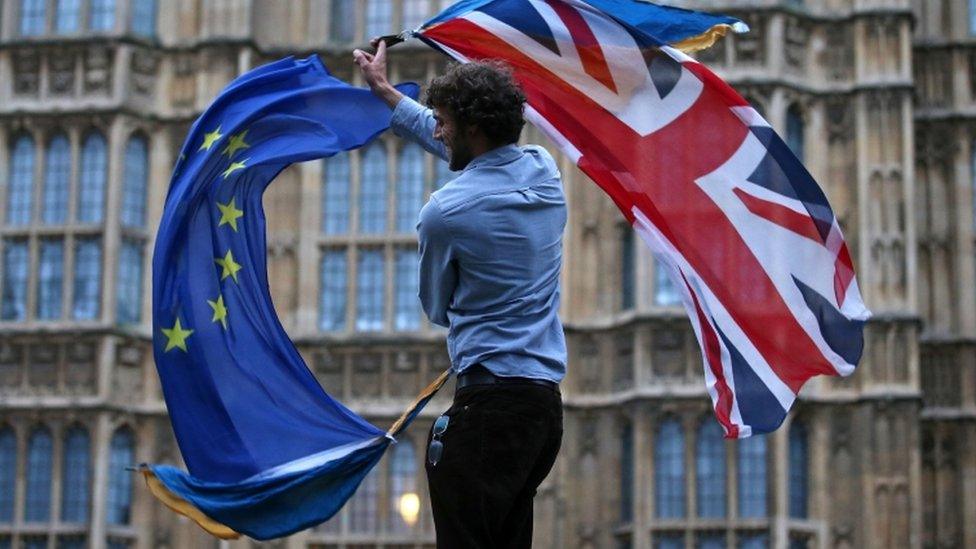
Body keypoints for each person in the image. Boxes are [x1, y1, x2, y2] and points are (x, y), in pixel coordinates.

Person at [355, 40, 567, 548]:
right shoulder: (545, 172)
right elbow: (474, 155)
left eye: (444, 121)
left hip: (487, 408)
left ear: (471, 129)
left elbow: (435, 307)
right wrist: (388, 95)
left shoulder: (444, 213)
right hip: (541, 411)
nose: (439, 130)